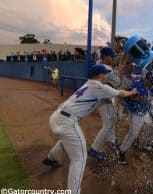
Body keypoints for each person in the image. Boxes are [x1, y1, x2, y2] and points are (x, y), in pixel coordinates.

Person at [42, 64, 137, 194]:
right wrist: (132, 92)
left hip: (56, 117)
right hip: (67, 122)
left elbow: (102, 98)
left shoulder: (89, 83)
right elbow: (121, 93)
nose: (106, 76)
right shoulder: (100, 87)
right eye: (105, 74)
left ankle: (50, 158)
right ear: (100, 75)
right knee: (79, 158)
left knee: (69, 140)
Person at [88, 47, 124, 160]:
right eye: (111, 56)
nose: (113, 58)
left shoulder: (99, 63)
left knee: (110, 120)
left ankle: (111, 140)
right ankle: (94, 149)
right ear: (105, 57)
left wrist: (119, 56)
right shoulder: (107, 71)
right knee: (107, 124)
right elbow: (119, 83)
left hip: (98, 96)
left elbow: (109, 64)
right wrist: (121, 66)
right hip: (105, 99)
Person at [117, 72, 153, 163]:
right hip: (136, 113)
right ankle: (121, 151)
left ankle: (149, 143)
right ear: (147, 79)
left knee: (149, 126)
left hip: (144, 112)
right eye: (151, 82)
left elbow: (149, 95)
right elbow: (135, 98)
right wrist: (148, 98)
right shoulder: (138, 85)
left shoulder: (148, 86)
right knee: (133, 133)